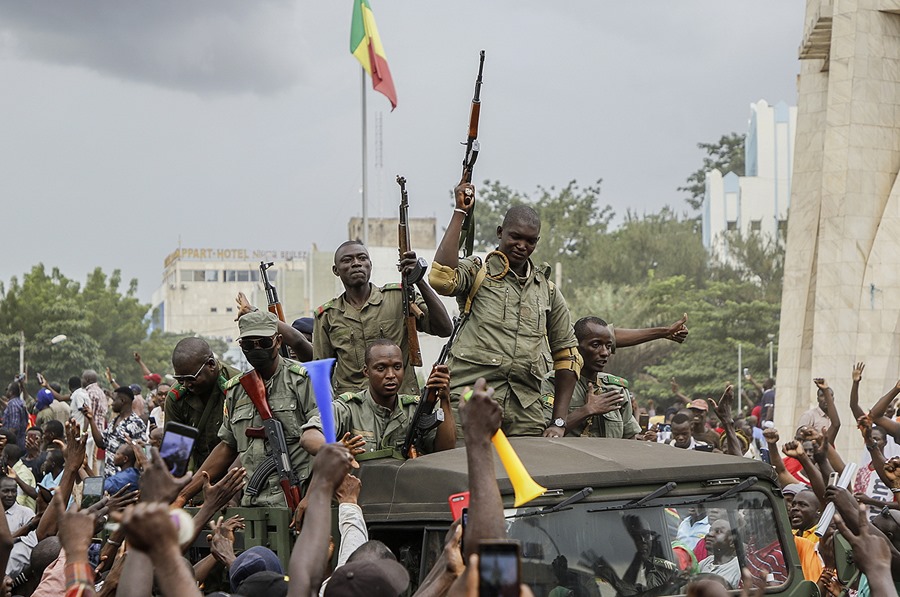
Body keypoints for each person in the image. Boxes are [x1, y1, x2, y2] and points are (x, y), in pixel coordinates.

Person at [430, 190, 582, 438]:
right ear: (501, 232)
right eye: (515, 237)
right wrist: (460, 212)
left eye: (530, 241)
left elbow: (568, 356)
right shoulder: (478, 271)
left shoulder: (547, 291)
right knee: (465, 472)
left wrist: (558, 421)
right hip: (470, 400)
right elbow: (441, 279)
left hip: (525, 412)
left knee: (522, 475)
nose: (522, 246)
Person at [180, 311, 320, 507]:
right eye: (248, 344)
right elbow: (227, 446)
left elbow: (327, 446)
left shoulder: (304, 380)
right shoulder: (237, 389)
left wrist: (311, 497)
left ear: (278, 341)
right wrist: (184, 495)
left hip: (299, 500)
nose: (256, 349)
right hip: (253, 503)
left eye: (263, 343)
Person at [314, 240, 453, 395]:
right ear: (336, 270)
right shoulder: (327, 316)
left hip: (401, 404)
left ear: (370, 265)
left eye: (362, 258)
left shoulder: (399, 298)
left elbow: (445, 328)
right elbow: (321, 375)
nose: (356, 264)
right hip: (354, 410)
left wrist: (418, 279)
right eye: (347, 260)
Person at [301, 339, 456, 460]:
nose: (390, 375)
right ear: (366, 371)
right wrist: (333, 449)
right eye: (381, 368)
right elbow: (309, 436)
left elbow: (445, 450)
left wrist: (444, 400)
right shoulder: (349, 408)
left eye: (397, 367)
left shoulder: (414, 409)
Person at [540, 316, 641, 438]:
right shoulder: (551, 384)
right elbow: (544, 435)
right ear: (575, 346)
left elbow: (630, 438)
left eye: (608, 346)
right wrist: (586, 410)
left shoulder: (615, 390)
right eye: (595, 345)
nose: (604, 353)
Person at [165, 337, 238, 470]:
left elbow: (245, 446)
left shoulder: (238, 387)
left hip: (237, 471)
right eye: (180, 379)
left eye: (191, 378)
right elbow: (175, 455)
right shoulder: (176, 398)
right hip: (199, 472)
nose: (186, 385)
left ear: (211, 365)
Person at [84, 386, 147, 478]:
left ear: (122, 400)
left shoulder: (136, 423)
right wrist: (91, 419)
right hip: (110, 477)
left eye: (114, 400)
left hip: (124, 480)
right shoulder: (114, 421)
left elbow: (140, 453)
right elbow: (100, 443)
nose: (112, 404)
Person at [697, 518, 741, 588]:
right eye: (710, 530)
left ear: (732, 542)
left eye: (718, 532)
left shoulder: (738, 567)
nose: (709, 534)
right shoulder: (704, 563)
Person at [2, 382, 27, 450]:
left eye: (7, 389)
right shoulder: (20, 402)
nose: (6, 391)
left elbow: (14, 427)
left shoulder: (12, 404)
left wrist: (7, 442)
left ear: (11, 392)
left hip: (14, 444)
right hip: (21, 441)